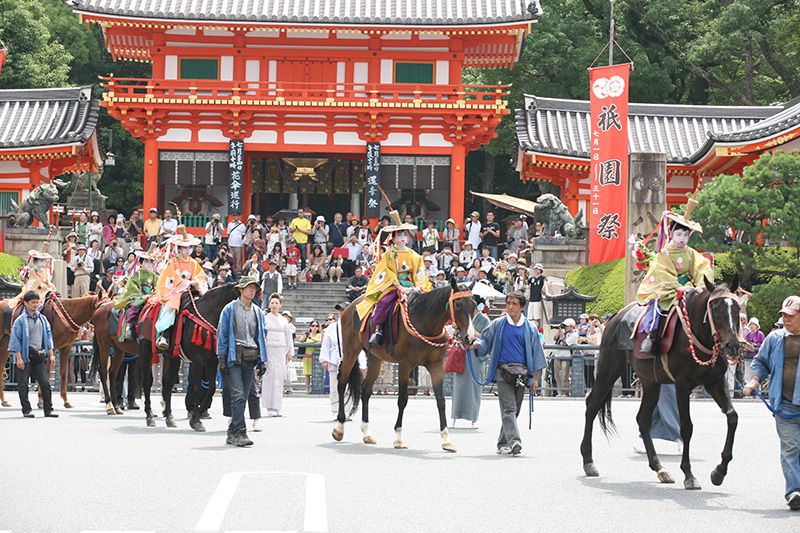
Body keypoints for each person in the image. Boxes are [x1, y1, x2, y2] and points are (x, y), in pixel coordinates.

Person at [469, 291, 546, 455]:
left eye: (514, 304)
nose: (510, 307)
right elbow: (485, 341)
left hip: (522, 373)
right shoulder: (498, 324)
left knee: (514, 409)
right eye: (508, 303)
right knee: (509, 408)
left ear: (522, 307)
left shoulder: (530, 328)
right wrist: (476, 345)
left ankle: (502, 442)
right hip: (502, 371)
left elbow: (537, 354)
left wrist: (535, 379)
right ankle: (515, 441)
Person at [743, 296, 800, 510]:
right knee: (790, 448)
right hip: (784, 405)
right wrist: (754, 381)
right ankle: (794, 491)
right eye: (784, 315)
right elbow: (760, 361)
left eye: (791, 315)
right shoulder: (775, 338)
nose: (786, 319)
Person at [637, 198, 713, 354]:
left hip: (690, 289)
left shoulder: (691, 252)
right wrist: (678, 287)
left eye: (685, 235)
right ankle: (651, 337)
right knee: (657, 307)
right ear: (671, 233)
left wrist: (701, 285)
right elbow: (663, 273)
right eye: (678, 234)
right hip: (667, 289)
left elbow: (702, 267)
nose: (682, 238)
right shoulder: (664, 253)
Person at [356, 209, 431, 346]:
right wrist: (400, 287)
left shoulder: (415, 255)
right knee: (384, 302)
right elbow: (388, 272)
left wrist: (419, 287)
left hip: (412, 286)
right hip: (394, 286)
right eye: (399, 234)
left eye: (404, 234)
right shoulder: (390, 254)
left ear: (408, 237)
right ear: (394, 238)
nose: (402, 237)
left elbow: (420, 273)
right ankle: (378, 330)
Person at [216, 276, 268, 447]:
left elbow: (262, 336)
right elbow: (222, 334)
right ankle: (240, 432)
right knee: (238, 395)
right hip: (234, 356)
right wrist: (221, 357)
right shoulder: (229, 309)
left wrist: (262, 360)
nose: (252, 290)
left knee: (243, 396)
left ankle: (232, 432)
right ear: (240, 289)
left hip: (251, 357)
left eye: (254, 288)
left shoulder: (258, 312)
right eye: (248, 287)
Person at [153, 226, 207, 350]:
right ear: (180, 248)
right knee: (172, 305)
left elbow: (200, 275)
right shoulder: (174, 262)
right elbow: (171, 278)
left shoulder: (193, 262)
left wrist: (196, 282)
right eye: (185, 247)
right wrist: (185, 283)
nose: (188, 250)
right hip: (175, 291)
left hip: (191, 290)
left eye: (190, 247)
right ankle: (164, 335)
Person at [9, 291, 57, 418]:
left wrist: (51, 354)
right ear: (25, 303)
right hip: (25, 356)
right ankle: (26, 410)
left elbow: (48, 338)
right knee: (23, 384)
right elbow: (15, 340)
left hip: (39, 355)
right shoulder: (20, 320)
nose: (35, 305)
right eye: (33, 302)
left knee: (45, 383)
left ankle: (48, 409)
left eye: (37, 302)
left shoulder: (43, 319)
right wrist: (19, 358)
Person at [451, 296, 491, 428]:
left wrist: (474, 334)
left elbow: (487, 339)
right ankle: (455, 415)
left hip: (476, 356)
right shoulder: (464, 317)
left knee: (474, 388)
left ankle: (473, 417)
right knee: (458, 387)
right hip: (462, 353)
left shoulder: (484, 320)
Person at [115, 243, 159, 340]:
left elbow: (158, 286)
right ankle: (129, 325)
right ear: (141, 263)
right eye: (146, 262)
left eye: (151, 262)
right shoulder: (137, 274)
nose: (149, 264)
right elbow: (133, 285)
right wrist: (142, 295)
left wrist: (153, 293)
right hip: (139, 295)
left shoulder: (154, 275)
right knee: (136, 305)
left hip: (151, 296)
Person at [261, 293, 294, 417]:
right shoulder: (265, 318)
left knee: (279, 378)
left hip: (281, 349)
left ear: (280, 305)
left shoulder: (284, 320)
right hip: (268, 349)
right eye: (272, 303)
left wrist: (290, 352)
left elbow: (288, 337)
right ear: (269, 305)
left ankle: (277, 406)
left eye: (276, 303)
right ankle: (269, 406)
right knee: (269, 377)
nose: (274, 305)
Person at [553, 318, 578, 396]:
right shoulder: (562, 333)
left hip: (566, 356)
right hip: (557, 355)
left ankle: (565, 392)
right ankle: (559, 392)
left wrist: (562, 333)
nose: (565, 327)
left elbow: (566, 342)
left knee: (564, 375)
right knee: (557, 375)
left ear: (571, 326)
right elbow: (555, 339)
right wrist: (559, 332)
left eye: (566, 326)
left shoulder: (574, 335)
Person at [300, 320, 322, 394]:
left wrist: (312, 338)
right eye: (313, 326)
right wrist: (303, 337)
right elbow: (300, 341)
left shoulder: (319, 335)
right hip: (307, 356)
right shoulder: (307, 334)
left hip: (316, 357)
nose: (314, 327)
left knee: (316, 373)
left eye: (316, 326)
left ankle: (316, 389)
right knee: (307, 374)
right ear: (310, 327)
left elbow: (320, 341)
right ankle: (308, 389)